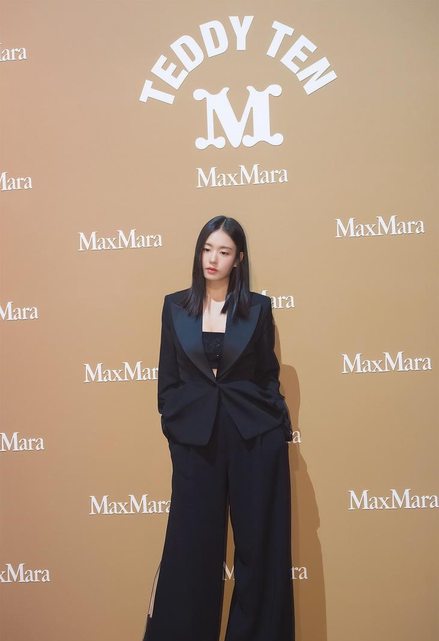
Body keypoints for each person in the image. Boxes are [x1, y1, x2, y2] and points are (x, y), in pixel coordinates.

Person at [142, 215, 295, 641]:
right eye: (207, 249)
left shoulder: (258, 308)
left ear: (238, 258)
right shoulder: (175, 306)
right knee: (190, 549)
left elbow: (267, 375)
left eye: (224, 251)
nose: (213, 259)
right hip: (196, 441)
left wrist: (276, 425)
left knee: (259, 551)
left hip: (253, 438)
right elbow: (168, 379)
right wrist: (175, 425)